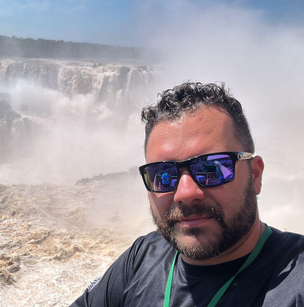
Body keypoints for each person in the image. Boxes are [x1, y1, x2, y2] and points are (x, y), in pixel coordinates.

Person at [70, 82, 304, 307]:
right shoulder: (141, 257)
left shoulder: (295, 282)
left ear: (254, 175)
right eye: (163, 174)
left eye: (212, 168)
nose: (185, 193)